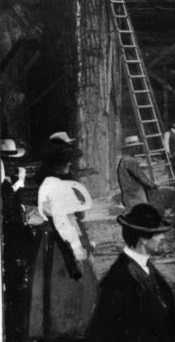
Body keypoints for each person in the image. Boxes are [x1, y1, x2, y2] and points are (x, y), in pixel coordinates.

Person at [26, 138, 99, 340]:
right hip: (61, 237)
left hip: (57, 232)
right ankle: (66, 324)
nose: (69, 165)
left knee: (63, 279)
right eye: (66, 162)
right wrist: (75, 248)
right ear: (57, 166)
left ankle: (66, 322)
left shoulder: (54, 183)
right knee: (68, 279)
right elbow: (61, 222)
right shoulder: (55, 186)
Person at [85, 203, 175, 342]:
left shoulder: (144, 267)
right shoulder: (118, 281)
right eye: (158, 233)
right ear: (144, 239)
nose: (162, 237)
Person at [2, 138, 32, 342]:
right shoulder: (5, 181)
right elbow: (6, 202)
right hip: (8, 233)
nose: (12, 162)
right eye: (8, 158)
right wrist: (19, 184)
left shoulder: (7, 179)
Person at [118, 135, 175, 215]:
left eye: (137, 146)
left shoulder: (125, 159)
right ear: (130, 148)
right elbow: (141, 177)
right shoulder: (130, 161)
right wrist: (153, 185)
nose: (138, 149)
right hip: (135, 193)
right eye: (135, 147)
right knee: (141, 213)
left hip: (129, 192)